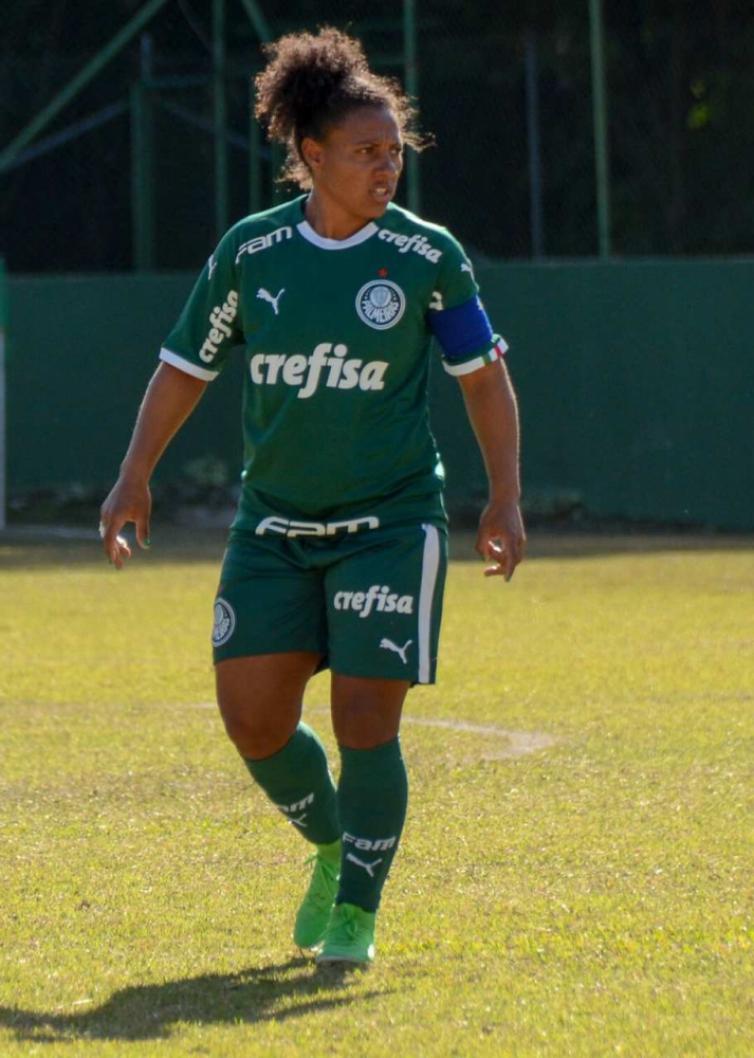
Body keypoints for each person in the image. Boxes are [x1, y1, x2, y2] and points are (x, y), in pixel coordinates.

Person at [100, 27, 525, 966]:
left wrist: (504, 497)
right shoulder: (253, 254)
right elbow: (183, 368)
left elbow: (483, 379)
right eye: (367, 152)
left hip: (391, 522)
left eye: (395, 152)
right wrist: (135, 475)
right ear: (312, 156)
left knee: (365, 720)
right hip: (274, 528)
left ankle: (360, 914)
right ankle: (333, 848)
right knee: (251, 718)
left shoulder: (428, 257)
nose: (387, 168)